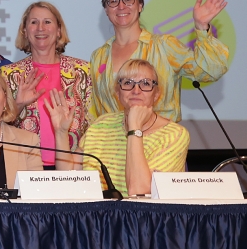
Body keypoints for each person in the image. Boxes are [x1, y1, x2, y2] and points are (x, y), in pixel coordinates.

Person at [89, 0, 230, 123]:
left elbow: (211, 71)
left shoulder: (164, 46)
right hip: (113, 143)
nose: (121, 6)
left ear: (140, 6)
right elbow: (95, 112)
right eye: (113, 1)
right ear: (106, 9)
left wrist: (202, 27)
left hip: (159, 141)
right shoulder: (99, 56)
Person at [76, 59, 189, 197]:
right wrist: (61, 132)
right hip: (95, 216)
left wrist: (135, 128)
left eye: (146, 83)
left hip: (143, 217)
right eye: (128, 83)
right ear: (117, 93)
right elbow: (71, 180)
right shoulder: (101, 125)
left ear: (156, 95)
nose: (136, 90)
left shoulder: (174, 135)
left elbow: (139, 192)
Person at [1, 2, 91, 168]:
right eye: (34, 22)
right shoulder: (10, 74)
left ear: (58, 31)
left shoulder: (82, 71)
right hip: (26, 166)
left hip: (73, 166)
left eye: (47, 22)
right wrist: (18, 104)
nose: (40, 28)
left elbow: (92, 123)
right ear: (25, 31)